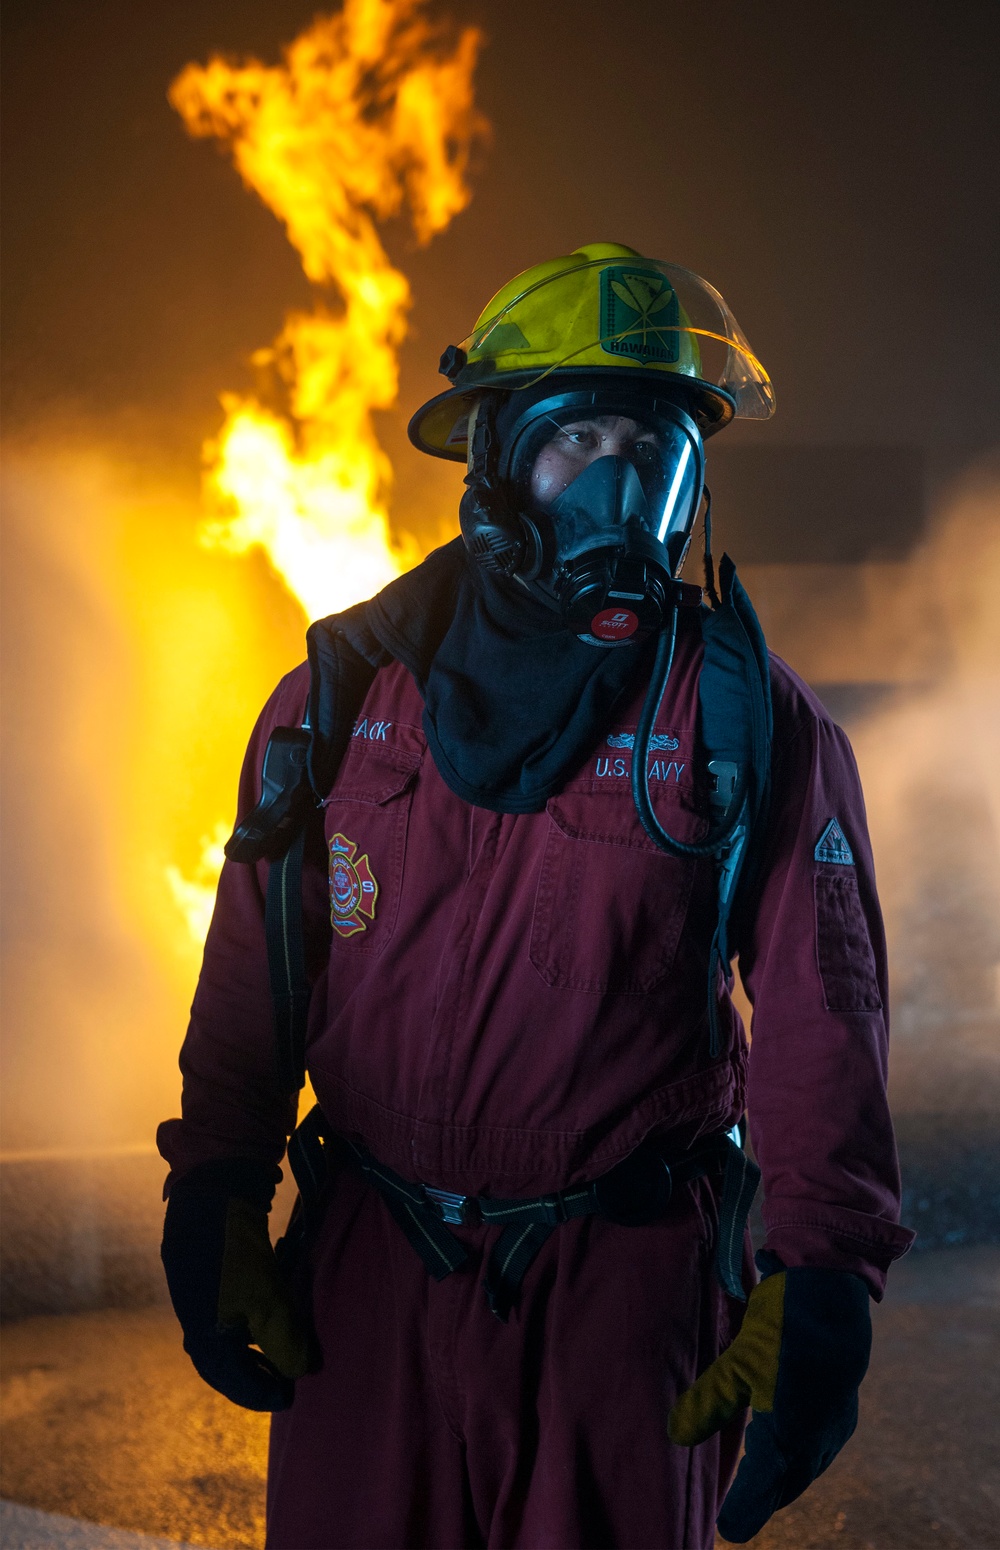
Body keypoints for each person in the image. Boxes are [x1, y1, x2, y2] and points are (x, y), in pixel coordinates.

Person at [158, 243, 914, 1550]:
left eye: (655, 451)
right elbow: (254, 980)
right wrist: (215, 1190)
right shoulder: (343, 704)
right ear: (498, 460)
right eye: (581, 445)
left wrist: (823, 1279)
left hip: (620, 1298)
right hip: (371, 1283)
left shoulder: (745, 720)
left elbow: (821, 1022)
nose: (620, 489)